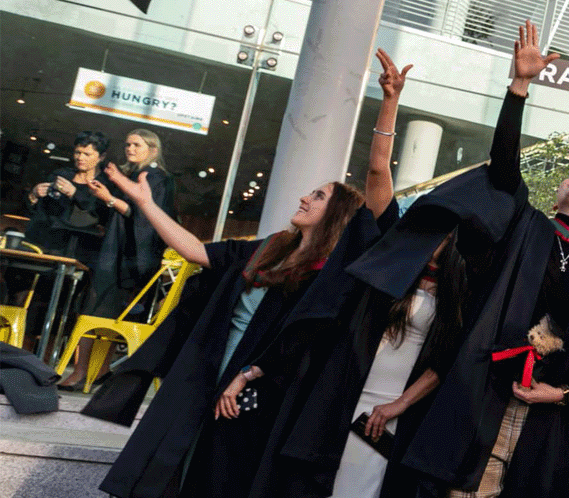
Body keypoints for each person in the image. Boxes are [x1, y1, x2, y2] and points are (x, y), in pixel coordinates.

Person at [351, 21, 569, 498]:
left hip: (552, 427)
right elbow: (504, 167)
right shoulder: (525, 229)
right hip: (482, 402)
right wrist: (519, 88)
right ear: (556, 195)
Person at [83, 146, 391, 498]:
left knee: (222, 471)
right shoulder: (270, 248)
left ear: (336, 215)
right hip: (210, 368)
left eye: (318, 196)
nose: (305, 198)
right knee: (174, 456)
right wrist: (146, 204)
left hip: (262, 387)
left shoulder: (328, 279)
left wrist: (249, 374)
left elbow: (306, 340)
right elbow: (196, 251)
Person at [249, 50, 468, 498]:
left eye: (443, 233)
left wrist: (399, 405)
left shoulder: (457, 293)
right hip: (344, 390)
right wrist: (390, 101)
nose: (433, 237)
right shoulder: (395, 259)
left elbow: (446, 360)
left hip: (393, 407)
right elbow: (375, 173)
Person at [67, 128, 175, 387]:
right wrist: (103, 198)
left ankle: (86, 371)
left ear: (153, 149)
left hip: (132, 257)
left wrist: (109, 199)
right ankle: (89, 370)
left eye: (137, 145)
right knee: (96, 310)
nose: (130, 149)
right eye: (127, 144)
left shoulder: (158, 179)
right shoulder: (129, 175)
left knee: (105, 312)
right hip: (115, 251)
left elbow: (148, 218)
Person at [22, 130, 112, 363]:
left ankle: (47, 362)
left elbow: (104, 217)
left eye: (87, 153)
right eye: (77, 152)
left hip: (81, 254)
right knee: (35, 305)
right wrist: (34, 195)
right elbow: (43, 214)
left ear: (100, 157)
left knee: (65, 308)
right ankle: (23, 358)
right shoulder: (61, 174)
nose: (80, 157)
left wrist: (76, 195)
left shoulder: (103, 184)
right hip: (50, 249)